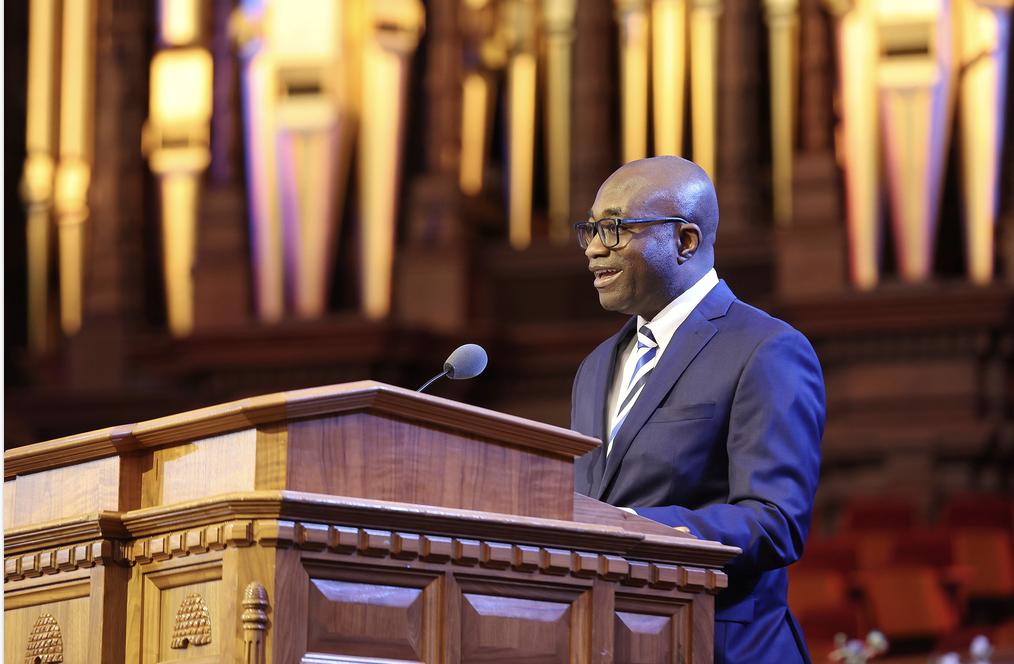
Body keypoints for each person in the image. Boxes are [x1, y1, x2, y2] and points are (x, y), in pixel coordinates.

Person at [571, 156, 825, 664]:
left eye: (617, 228)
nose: (596, 247)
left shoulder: (765, 348)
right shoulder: (595, 366)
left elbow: (774, 522)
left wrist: (631, 526)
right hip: (608, 641)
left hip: (715, 645)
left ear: (685, 240)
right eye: (592, 229)